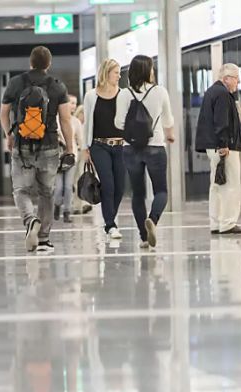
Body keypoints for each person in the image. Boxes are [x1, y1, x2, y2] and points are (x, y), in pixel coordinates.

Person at [0, 46, 75, 253]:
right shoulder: (57, 86)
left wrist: (9, 134)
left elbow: (4, 113)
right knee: (46, 193)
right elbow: (66, 120)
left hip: (22, 147)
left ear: (30, 62)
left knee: (21, 190)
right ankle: (43, 239)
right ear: (48, 64)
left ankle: (30, 219)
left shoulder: (16, 83)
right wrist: (69, 147)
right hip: (50, 146)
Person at [114, 54, 176, 249]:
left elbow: (118, 122)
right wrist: (169, 134)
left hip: (131, 148)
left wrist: (133, 129)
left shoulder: (124, 93)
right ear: (149, 71)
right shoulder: (160, 92)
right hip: (155, 145)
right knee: (161, 191)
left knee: (138, 194)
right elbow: (168, 120)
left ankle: (143, 237)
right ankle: (153, 220)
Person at [195, 63, 241, 235]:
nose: (237, 83)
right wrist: (224, 143)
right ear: (227, 79)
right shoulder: (223, 94)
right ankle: (228, 223)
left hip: (213, 147)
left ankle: (216, 222)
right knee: (230, 185)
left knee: (217, 184)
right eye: (236, 80)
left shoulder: (212, 92)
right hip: (224, 147)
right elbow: (221, 122)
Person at [82, 59, 126, 240]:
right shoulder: (91, 96)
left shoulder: (124, 95)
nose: (119, 76)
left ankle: (110, 217)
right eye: (116, 72)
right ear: (106, 73)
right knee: (108, 184)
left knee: (120, 187)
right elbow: (87, 124)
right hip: (99, 146)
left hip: (121, 146)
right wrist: (86, 148)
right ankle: (110, 224)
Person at [53, 94, 82, 224]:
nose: (73, 105)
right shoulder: (55, 120)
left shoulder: (76, 122)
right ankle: (57, 205)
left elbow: (81, 140)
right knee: (58, 187)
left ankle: (67, 212)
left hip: (71, 158)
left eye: (75, 103)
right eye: (70, 102)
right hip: (57, 159)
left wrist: (83, 149)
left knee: (68, 186)